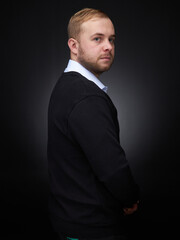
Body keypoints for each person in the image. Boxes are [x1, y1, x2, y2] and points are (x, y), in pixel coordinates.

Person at [48, 8, 140, 240]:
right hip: (91, 227)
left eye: (111, 39)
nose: (108, 46)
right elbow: (112, 167)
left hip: (71, 219)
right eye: (97, 39)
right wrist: (130, 198)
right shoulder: (86, 97)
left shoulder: (66, 86)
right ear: (74, 46)